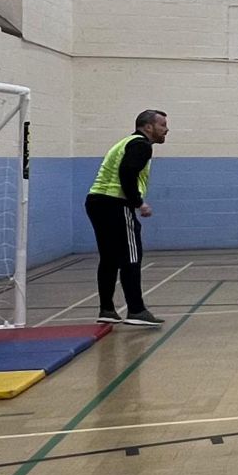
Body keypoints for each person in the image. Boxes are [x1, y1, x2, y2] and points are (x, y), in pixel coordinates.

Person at [83, 110, 168, 327]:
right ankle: (136, 310)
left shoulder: (125, 142)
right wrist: (139, 202)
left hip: (96, 201)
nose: (166, 130)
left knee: (109, 257)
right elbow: (127, 173)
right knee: (131, 255)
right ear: (148, 127)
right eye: (162, 125)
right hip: (115, 203)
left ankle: (107, 309)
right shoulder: (141, 145)